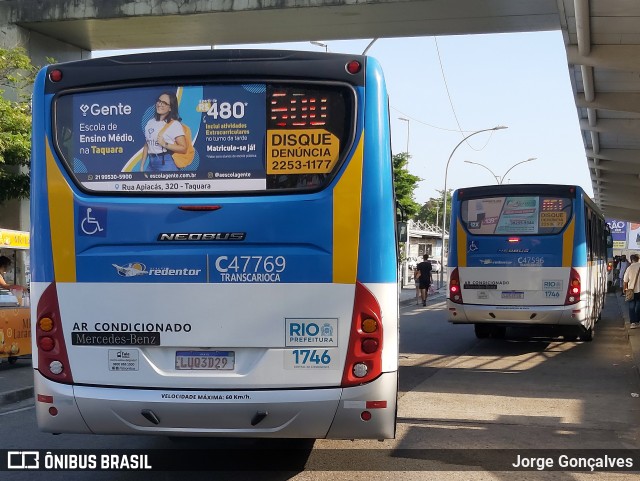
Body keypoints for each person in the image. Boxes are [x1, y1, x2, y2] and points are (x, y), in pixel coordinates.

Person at [140, 92, 187, 172]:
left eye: (164, 103)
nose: (160, 104)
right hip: (151, 164)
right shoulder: (150, 122)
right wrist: (142, 166)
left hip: (166, 162)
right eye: (159, 101)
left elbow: (183, 148)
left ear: (170, 108)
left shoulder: (174, 124)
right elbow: (147, 145)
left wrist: (165, 144)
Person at [623, 254, 640, 329]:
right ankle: (637, 321)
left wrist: (625, 289)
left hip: (631, 290)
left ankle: (633, 323)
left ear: (631, 260)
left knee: (631, 307)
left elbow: (625, 281)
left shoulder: (629, 268)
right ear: (638, 259)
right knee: (638, 306)